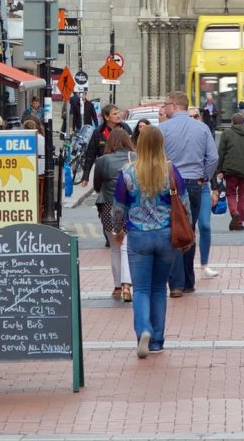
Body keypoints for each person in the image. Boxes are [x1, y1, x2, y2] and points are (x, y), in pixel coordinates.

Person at [112, 124, 191, 357]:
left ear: (140, 144)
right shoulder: (171, 171)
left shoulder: (128, 172)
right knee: (158, 288)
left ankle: (143, 329)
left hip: (138, 235)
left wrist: (118, 229)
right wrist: (187, 233)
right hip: (166, 235)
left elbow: (119, 207)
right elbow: (184, 204)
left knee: (141, 289)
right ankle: (157, 340)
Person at [160, 91, 218, 297]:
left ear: (175, 106)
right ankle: (188, 281)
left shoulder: (163, 129)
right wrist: (204, 176)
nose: (164, 108)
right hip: (194, 184)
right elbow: (213, 158)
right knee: (188, 231)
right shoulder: (202, 128)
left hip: (170, 182)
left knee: (172, 230)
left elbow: (156, 158)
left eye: (166, 104)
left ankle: (176, 283)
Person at [93, 128, 133, 301]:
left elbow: (96, 186)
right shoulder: (135, 158)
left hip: (108, 206)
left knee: (115, 248)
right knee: (126, 247)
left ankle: (117, 286)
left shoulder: (102, 161)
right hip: (131, 206)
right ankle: (127, 285)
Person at [189, 107, 219, 278]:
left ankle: (205, 264)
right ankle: (187, 264)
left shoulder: (204, 132)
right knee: (188, 227)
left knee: (205, 225)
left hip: (204, 185)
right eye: (190, 116)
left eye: (196, 116)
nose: (194, 119)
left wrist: (214, 187)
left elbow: (213, 160)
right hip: (187, 184)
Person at [217, 112, 244, 231]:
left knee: (230, 194)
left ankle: (234, 212)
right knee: (242, 196)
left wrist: (219, 169)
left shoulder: (227, 133)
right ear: (243, 122)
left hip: (230, 170)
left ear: (232, 122)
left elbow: (221, 152)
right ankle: (239, 222)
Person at [81, 104, 132, 185]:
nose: (118, 116)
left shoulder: (125, 128)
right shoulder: (98, 132)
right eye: (115, 114)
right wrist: (85, 176)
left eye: (118, 113)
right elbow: (90, 155)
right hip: (106, 171)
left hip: (123, 171)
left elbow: (132, 149)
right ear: (106, 117)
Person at [23, 117, 45, 217]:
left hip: (28, 175)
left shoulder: (24, 140)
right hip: (41, 173)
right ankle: (39, 209)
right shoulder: (43, 139)